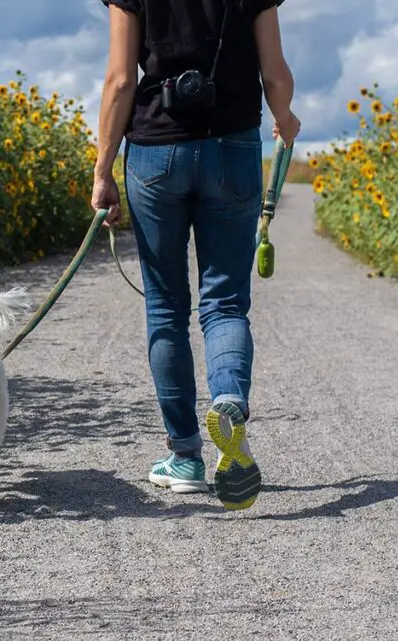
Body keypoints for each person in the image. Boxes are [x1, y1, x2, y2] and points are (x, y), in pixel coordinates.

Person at [91, 0, 300, 510]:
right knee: (225, 303)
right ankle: (228, 399)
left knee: (165, 307)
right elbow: (273, 71)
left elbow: (120, 80)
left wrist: (102, 170)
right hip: (233, 147)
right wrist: (284, 115)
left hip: (155, 150)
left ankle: (185, 457)